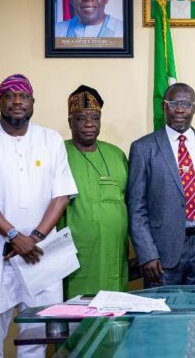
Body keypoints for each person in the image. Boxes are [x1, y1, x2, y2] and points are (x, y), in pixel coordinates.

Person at [0, 74, 77, 358]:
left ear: (33, 102)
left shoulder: (50, 139)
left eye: (23, 96)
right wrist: (14, 235)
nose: (17, 101)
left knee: (36, 339)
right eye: (9, 96)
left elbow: (61, 195)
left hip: (39, 254)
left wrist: (33, 238)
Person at [128, 83, 195, 286]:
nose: (180, 110)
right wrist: (147, 253)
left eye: (186, 104)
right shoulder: (143, 148)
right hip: (161, 253)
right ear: (164, 107)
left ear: (194, 108)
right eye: (173, 104)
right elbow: (136, 208)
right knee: (162, 315)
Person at [58, 85, 129, 299]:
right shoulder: (58, 153)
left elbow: (130, 202)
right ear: (70, 122)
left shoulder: (116, 154)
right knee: (74, 316)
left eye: (95, 118)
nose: (89, 124)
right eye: (80, 118)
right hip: (73, 255)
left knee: (112, 314)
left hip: (113, 254)